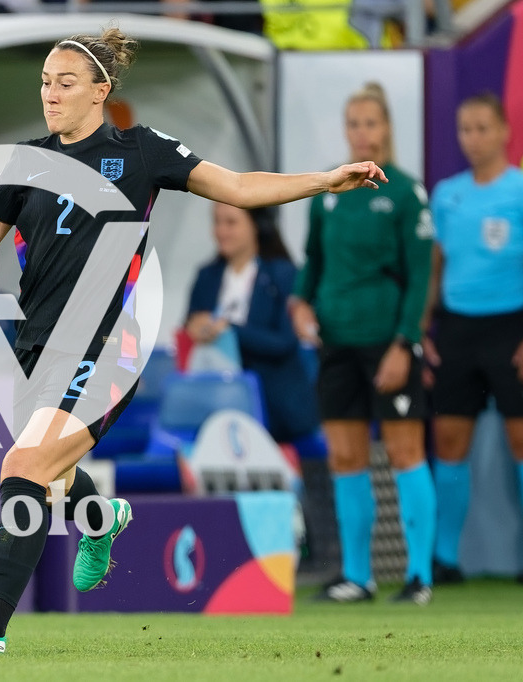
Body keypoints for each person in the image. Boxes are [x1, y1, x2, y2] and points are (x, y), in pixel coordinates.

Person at [0, 29, 388, 654]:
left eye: (65, 83)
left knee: (24, 466)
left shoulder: (141, 152)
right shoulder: (27, 162)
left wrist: (323, 180)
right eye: (44, 82)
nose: (51, 94)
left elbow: (238, 186)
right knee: (55, 477)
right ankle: (102, 519)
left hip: (108, 346)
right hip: (39, 349)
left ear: (101, 91)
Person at [288, 83, 435, 605]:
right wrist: (301, 303)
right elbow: (313, 264)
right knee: (346, 457)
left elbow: (421, 278)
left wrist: (406, 343)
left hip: (386, 343)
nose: (361, 132)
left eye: (370, 122)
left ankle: (419, 576)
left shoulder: (406, 193)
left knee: (404, 452)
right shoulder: (329, 195)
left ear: (387, 128)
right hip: (336, 344)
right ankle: (358, 576)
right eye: (354, 123)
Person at [424, 93, 523, 585]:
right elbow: (435, 265)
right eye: (465, 129)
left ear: (505, 131)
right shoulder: (447, 194)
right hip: (458, 327)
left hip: (513, 326)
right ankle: (445, 559)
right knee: (448, 439)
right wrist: (422, 326)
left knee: (521, 438)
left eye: (483, 128)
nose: (474, 138)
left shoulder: (520, 191)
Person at [185, 203, 319, 443]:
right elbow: (191, 324)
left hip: (276, 408)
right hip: (216, 403)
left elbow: (284, 342)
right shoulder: (207, 275)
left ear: (257, 226)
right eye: (217, 222)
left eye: (231, 222)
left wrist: (230, 329)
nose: (221, 230)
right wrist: (197, 328)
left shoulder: (283, 274)